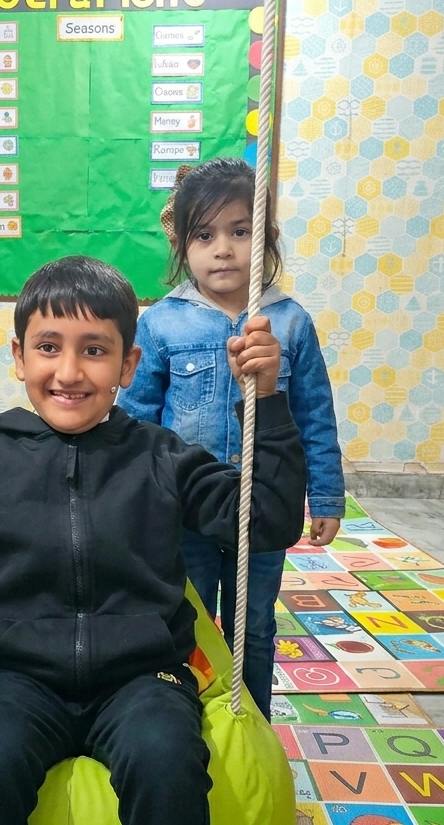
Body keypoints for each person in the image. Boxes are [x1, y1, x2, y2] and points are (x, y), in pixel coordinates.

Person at [0, 255, 306, 825]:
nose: (68, 372)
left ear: (127, 365)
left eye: (94, 350)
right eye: (48, 347)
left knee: (168, 760)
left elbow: (267, 522)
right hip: (14, 677)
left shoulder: (162, 458)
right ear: (19, 357)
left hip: (143, 677)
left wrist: (267, 403)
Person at [120, 158, 344, 721]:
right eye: (205, 235)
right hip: (186, 510)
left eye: (239, 231)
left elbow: (315, 416)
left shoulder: (289, 323)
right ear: (182, 243)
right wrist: (135, 500)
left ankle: (254, 727)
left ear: (265, 237)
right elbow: (137, 421)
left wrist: (326, 495)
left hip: (264, 508)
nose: (222, 250)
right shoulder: (161, 323)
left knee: (255, 627)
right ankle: (192, 726)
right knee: (189, 623)